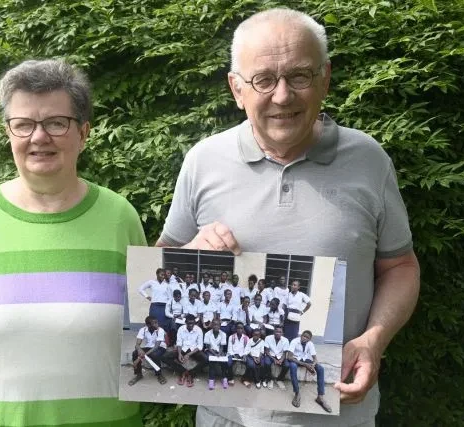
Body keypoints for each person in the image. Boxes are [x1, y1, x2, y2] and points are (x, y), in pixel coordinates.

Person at [156, 7, 420, 425]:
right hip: (225, 418)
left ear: (325, 78)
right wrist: (190, 254)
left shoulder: (369, 159)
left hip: (340, 418)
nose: (282, 96)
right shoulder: (203, 161)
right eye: (263, 80)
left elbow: (400, 266)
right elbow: (161, 268)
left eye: (299, 76)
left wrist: (374, 340)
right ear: (236, 89)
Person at [0, 59, 147, 427]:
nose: (38, 137)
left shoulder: (121, 218)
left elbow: (147, 333)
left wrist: (203, 263)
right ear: (9, 133)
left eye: (57, 123)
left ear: (83, 133)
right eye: (23, 125)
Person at [287, 330, 331, 413]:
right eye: (303, 336)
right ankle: (297, 393)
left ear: (309, 339)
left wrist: (313, 366)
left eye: (307, 337)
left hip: (305, 359)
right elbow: (289, 357)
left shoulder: (310, 344)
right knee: (292, 367)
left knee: (320, 369)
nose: (304, 338)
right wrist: (305, 365)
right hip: (295, 359)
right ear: (301, 335)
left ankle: (320, 397)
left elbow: (315, 358)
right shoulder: (294, 341)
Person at [163, 314, 207, 387]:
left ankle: (191, 373)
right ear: (185, 322)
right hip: (183, 349)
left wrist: (188, 354)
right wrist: (180, 353)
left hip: (194, 351)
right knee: (164, 357)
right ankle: (182, 371)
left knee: (206, 359)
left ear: (194, 323)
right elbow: (179, 343)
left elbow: (200, 346)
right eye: (189, 323)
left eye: (192, 323)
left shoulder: (198, 330)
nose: (190, 325)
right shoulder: (181, 329)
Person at [129, 316, 167, 386]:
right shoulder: (143, 330)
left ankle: (159, 374)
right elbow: (137, 344)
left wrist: (141, 357)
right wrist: (140, 350)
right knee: (135, 353)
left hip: (160, 347)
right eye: (154, 323)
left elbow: (156, 346)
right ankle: (139, 374)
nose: (157, 325)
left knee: (155, 355)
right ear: (148, 325)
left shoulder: (160, 330)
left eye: (157, 322)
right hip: (149, 346)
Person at [204, 320, 229, 390]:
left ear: (220, 326)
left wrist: (219, 353)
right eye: (214, 325)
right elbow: (208, 347)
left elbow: (222, 346)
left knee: (224, 361)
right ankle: (211, 380)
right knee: (212, 361)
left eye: (217, 325)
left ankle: (224, 378)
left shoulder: (223, 334)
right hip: (210, 351)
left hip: (219, 352)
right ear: (212, 325)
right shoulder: (207, 334)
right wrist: (215, 354)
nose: (216, 326)